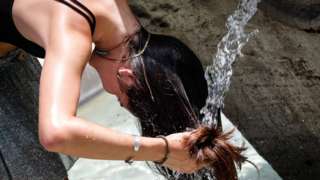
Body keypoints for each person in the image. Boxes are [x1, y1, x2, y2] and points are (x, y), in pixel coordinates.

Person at [0, 0, 247, 179]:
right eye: (120, 98)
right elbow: (56, 133)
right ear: (127, 78)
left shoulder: (112, 12)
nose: (112, 94)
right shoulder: (73, 30)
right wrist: (163, 150)